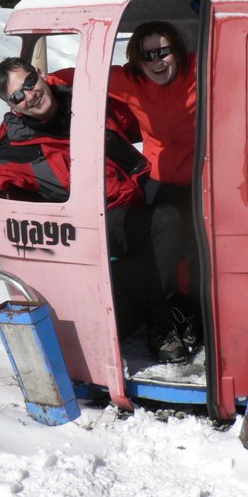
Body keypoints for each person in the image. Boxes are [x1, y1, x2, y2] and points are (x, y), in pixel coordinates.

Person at [0, 56, 190, 364]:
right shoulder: (19, 150)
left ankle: (187, 303)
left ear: (41, 75)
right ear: (13, 107)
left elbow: (131, 117)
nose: (29, 95)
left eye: (30, 83)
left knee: (192, 199)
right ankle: (160, 322)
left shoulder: (81, 100)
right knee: (165, 221)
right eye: (18, 96)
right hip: (93, 224)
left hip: (133, 193)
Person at [50, 21, 202, 354]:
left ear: (179, 50)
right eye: (148, 55)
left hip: (201, 179)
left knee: (199, 250)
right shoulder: (129, 80)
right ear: (137, 59)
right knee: (163, 242)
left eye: (164, 51)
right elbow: (74, 75)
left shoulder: (200, 69)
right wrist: (34, 91)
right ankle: (161, 318)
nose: (157, 61)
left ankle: (189, 311)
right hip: (157, 179)